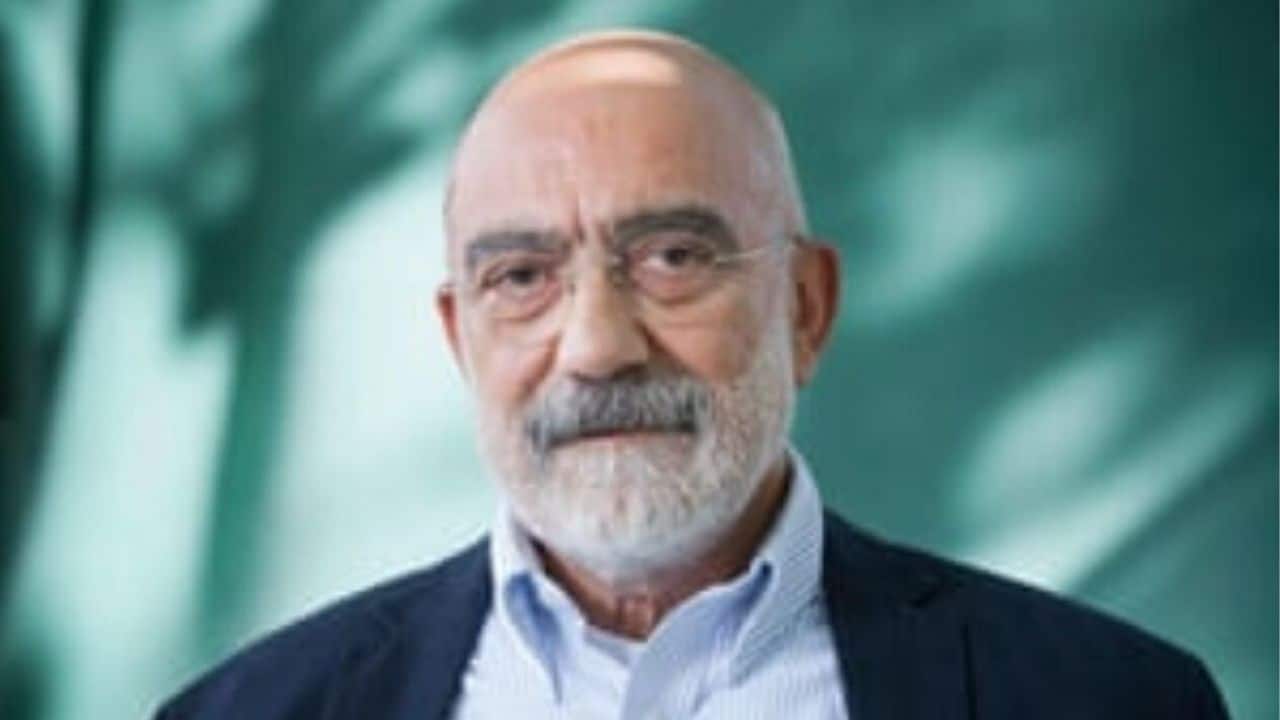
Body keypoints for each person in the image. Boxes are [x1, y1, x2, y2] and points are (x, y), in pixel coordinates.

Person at [156, 29, 1229, 719]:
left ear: (804, 306)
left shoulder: (1113, 701)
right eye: (522, 277)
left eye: (671, 257)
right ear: (460, 337)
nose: (596, 345)